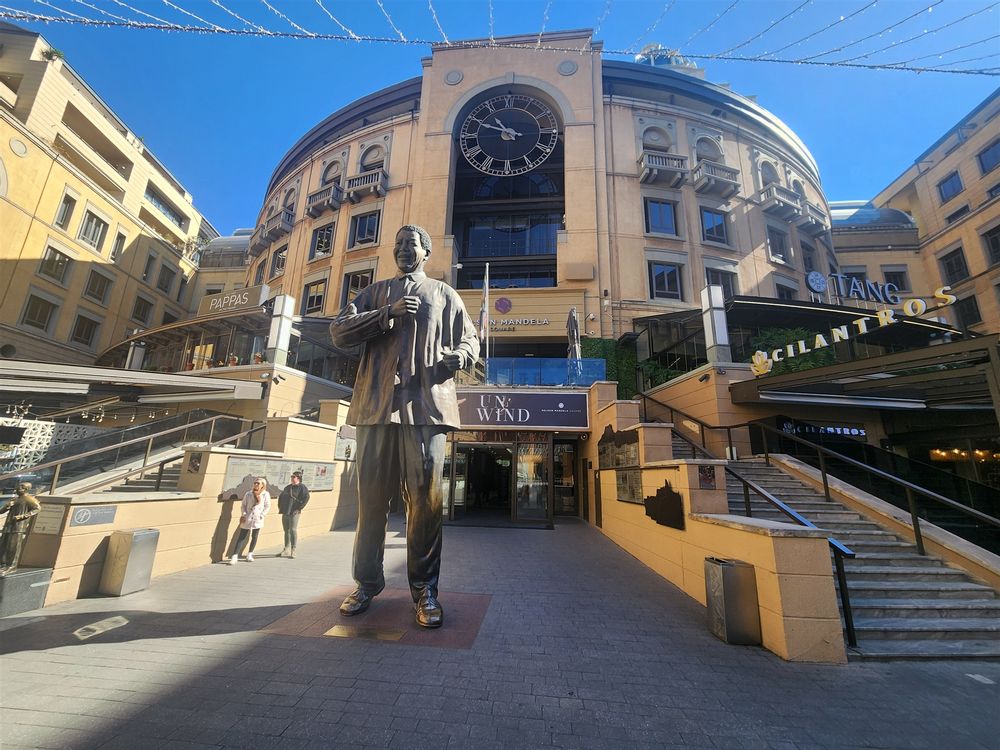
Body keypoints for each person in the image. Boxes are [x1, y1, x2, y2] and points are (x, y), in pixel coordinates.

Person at [329, 224, 479, 628]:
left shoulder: (444, 294)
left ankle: (425, 590)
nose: (402, 250)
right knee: (371, 501)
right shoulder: (375, 293)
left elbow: (470, 338)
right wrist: (385, 314)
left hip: (425, 408)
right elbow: (339, 331)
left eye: (410, 244)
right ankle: (366, 583)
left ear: (425, 251)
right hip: (376, 408)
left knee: (426, 504)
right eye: (397, 245)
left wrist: (462, 356)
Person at [0, 482, 41, 575]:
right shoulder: (14, 499)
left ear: (25, 489)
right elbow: (1, 511)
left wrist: (22, 516)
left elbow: (37, 508)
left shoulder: (29, 499)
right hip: (8, 526)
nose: (17, 490)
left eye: (19, 488)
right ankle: (2, 564)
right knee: (3, 546)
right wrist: (7, 506)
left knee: (13, 547)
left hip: (18, 527)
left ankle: (11, 566)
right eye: (17, 488)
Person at [229, 478, 270, 565]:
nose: (256, 484)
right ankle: (235, 556)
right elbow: (243, 505)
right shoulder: (248, 494)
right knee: (242, 537)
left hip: (257, 518)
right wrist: (244, 514)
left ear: (262, 485)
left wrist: (262, 515)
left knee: (254, 536)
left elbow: (267, 506)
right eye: (255, 483)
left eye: (258, 483)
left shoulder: (265, 494)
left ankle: (250, 554)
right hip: (247, 517)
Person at [278, 471, 310, 558]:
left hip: (294, 512)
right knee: (286, 530)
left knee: (293, 530)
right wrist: (280, 507)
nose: (292, 478)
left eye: (294, 477)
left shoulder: (302, 487)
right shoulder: (288, 487)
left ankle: (293, 549)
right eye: (291, 477)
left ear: (298, 478)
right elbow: (281, 497)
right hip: (285, 511)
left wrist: (299, 508)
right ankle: (286, 549)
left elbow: (306, 497)